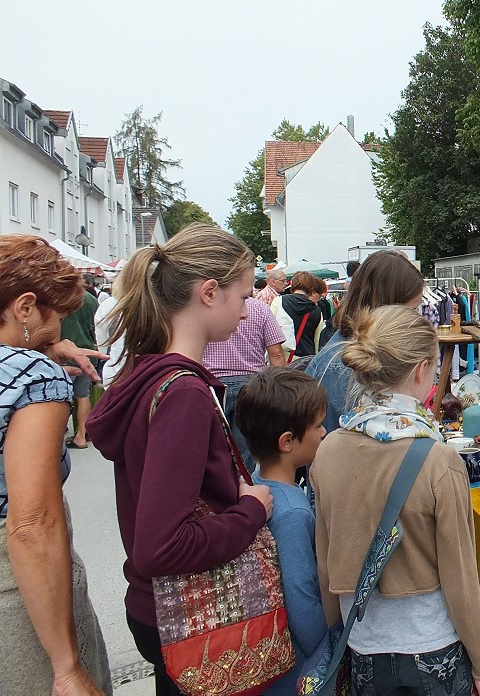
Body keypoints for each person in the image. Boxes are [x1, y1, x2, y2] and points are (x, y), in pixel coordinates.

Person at [87, 224, 274, 696]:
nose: (248, 309)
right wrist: (251, 510)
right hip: (187, 614)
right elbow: (161, 546)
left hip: (158, 611)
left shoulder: (148, 373)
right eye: (244, 295)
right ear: (209, 293)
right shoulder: (184, 393)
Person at [311, 305, 480, 696]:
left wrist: (336, 633)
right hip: (430, 646)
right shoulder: (440, 461)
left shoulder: (327, 452)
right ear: (421, 371)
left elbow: (325, 565)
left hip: (361, 643)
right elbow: (461, 581)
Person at [0, 234, 111, 695]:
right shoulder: (35, 376)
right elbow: (30, 522)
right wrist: (65, 666)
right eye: (58, 317)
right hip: (16, 590)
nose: (61, 331)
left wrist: (44, 345)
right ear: (25, 307)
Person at [234, 368, 328, 696]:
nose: (324, 432)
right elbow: (300, 594)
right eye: (317, 426)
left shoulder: (255, 487)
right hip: (295, 669)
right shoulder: (293, 511)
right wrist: (327, 643)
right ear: (287, 441)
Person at [306, 250, 424, 433]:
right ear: (389, 306)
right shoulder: (345, 366)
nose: (415, 319)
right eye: (412, 310)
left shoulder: (357, 351)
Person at [202, 296, 288, 471]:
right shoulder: (260, 309)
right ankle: (245, 488)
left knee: (213, 446)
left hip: (213, 384)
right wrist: (278, 388)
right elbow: (276, 354)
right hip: (251, 385)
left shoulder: (207, 308)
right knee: (247, 449)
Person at [59, 282, 99, 450]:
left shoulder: (61, 296)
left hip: (65, 351)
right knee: (83, 396)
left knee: (61, 398)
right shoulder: (91, 299)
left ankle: (58, 436)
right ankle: (81, 435)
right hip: (87, 352)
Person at [273, 271, 324, 360]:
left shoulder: (279, 301)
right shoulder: (316, 310)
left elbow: (269, 330)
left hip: (283, 357)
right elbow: (317, 340)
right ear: (312, 287)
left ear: (293, 285)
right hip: (306, 359)